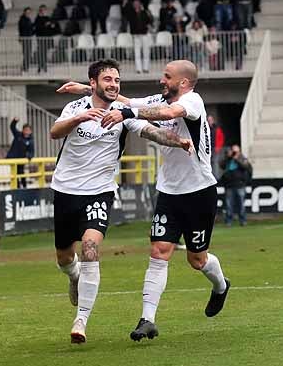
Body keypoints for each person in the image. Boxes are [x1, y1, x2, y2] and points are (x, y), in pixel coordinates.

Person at [61, 59, 231, 342]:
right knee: (159, 251)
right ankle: (147, 319)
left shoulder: (192, 101)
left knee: (197, 259)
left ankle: (221, 285)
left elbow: (166, 113)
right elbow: (131, 100)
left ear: (183, 82)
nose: (161, 80)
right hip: (168, 191)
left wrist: (126, 112)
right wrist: (85, 89)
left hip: (199, 192)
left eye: (167, 76)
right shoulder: (162, 96)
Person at [219, 145, 252, 227]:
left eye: (235, 151)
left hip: (240, 184)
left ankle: (243, 220)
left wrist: (237, 159)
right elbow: (221, 165)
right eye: (233, 151)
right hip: (229, 185)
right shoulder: (228, 159)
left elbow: (246, 167)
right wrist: (228, 157)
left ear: (239, 151)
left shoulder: (242, 158)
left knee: (241, 204)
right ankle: (228, 221)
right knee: (229, 205)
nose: (234, 153)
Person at [6, 118, 35, 185]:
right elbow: (12, 127)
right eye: (25, 130)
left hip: (21, 160)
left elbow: (31, 151)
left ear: (31, 131)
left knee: (21, 173)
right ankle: (16, 186)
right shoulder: (18, 135)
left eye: (28, 130)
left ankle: (24, 186)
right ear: (23, 130)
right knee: (14, 174)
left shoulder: (31, 141)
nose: (27, 131)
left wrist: (29, 156)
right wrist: (15, 121)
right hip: (13, 158)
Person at [18, 7, 35, 71]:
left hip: (28, 38)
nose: (28, 14)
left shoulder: (28, 19)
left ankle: (26, 66)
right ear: (24, 12)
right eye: (27, 12)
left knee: (28, 53)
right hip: (25, 38)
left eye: (29, 13)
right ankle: (25, 67)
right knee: (26, 53)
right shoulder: (22, 19)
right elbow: (22, 29)